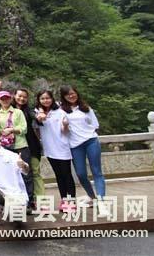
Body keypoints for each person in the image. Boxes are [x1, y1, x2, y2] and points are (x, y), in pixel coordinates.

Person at [60, 85, 108, 216]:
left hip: (91, 141)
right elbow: (63, 131)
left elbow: (95, 125)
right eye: (67, 94)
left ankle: (101, 202)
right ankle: (92, 198)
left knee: (97, 172)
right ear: (64, 97)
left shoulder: (86, 108)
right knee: (81, 174)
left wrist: (87, 132)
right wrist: (65, 126)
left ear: (77, 93)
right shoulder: (62, 111)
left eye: (73, 93)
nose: (71, 96)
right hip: (75, 145)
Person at [35, 90, 75, 211]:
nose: (45, 100)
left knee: (66, 174)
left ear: (52, 99)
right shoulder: (37, 112)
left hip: (62, 147)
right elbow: (37, 128)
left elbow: (65, 130)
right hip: (49, 149)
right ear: (39, 100)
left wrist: (65, 125)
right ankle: (64, 199)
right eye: (42, 98)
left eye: (48, 98)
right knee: (58, 175)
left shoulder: (60, 112)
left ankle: (71, 201)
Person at [0, 90, 32, 211]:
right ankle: (11, 202)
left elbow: (24, 128)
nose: (5, 100)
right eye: (2, 98)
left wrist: (11, 130)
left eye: (7, 98)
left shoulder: (18, 112)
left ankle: (29, 202)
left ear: (11, 99)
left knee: (26, 173)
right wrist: (2, 130)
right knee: (8, 175)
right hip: (5, 147)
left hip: (20, 145)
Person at [13, 88, 44, 207]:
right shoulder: (9, 110)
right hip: (15, 145)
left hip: (32, 144)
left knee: (35, 172)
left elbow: (35, 116)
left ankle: (41, 201)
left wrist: (39, 116)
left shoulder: (28, 110)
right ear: (14, 96)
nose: (22, 99)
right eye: (19, 96)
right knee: (19, 173)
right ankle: (24, 200)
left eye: (24, 97)